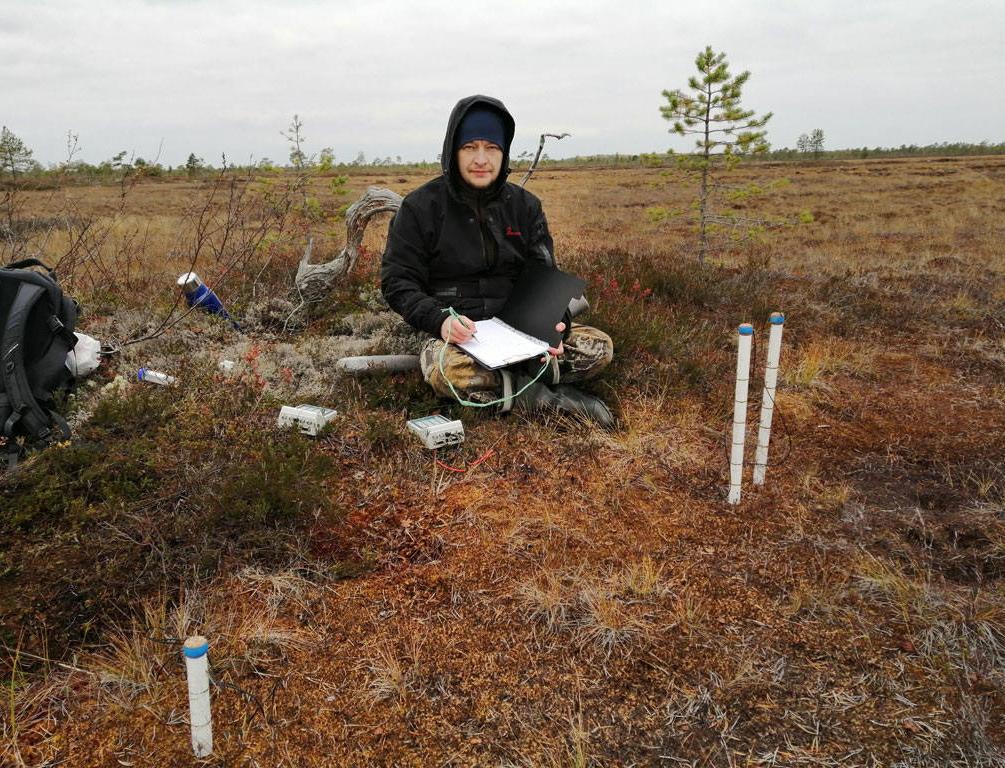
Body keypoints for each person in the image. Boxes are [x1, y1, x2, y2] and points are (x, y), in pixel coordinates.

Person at [380, 94, 615, 427]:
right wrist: (440, 321)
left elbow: (545, 277)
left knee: (599, 348)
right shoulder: (420, 208)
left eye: (491, 148)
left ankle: (510, 388)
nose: (481, 159)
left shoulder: (525, 206)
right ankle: (541, 397)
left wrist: (554, 325)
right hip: (459, 334)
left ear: (503, 153)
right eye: (469, 147)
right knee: (444, 371)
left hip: (522, 331)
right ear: (452, 150)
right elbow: (397, 281)